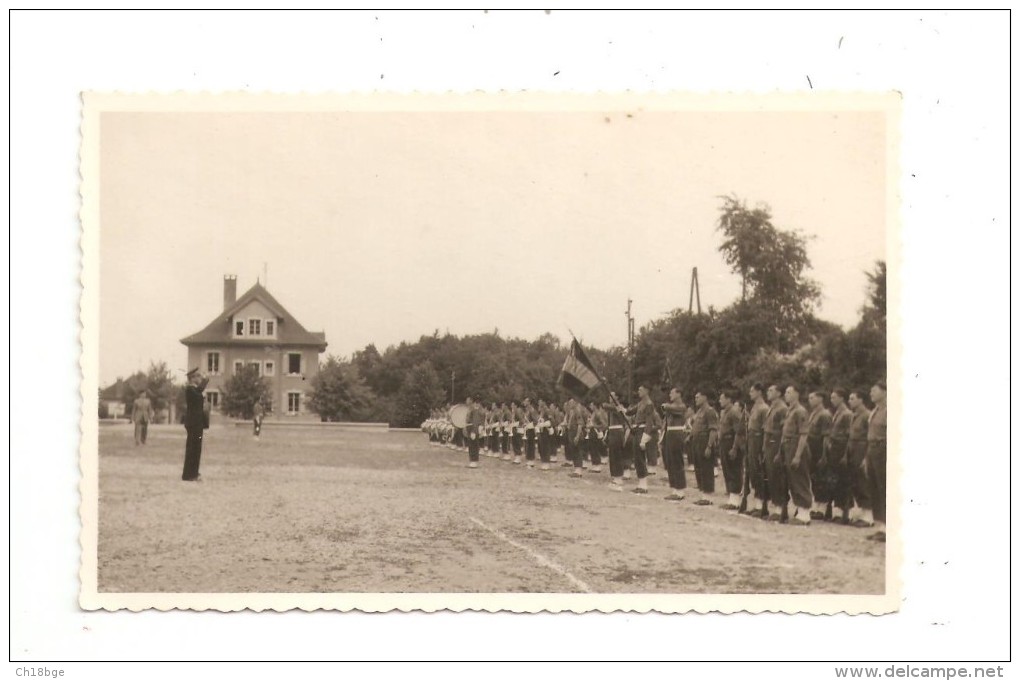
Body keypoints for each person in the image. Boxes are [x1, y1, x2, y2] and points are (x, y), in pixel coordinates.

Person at [783, 384, 812, 525]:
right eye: (785, 392)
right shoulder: (790, 411)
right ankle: (800, 511)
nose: (786, 395)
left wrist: (798, 455)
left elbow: (803, 434)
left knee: (800, 478)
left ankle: (805, 513)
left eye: (789, 392)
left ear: (796, 394)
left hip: (796, 446)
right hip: (788, 445)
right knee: (793, 479)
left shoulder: (800, 411)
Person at [804, 390, 834, 520]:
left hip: (819, 448)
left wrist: (824, 455)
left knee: (822, 479)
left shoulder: (824, 414)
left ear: (820, 399)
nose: (810, 400)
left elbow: (826, 437)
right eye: (809, 398)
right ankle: (816, 507)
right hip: (812, 448)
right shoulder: (813, 414)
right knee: (815, 479)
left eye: (812, 398)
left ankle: (822, 508)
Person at [741, 383, 770, 518]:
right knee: (752, 473)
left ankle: (761, 506)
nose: (750, 393)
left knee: (759, 473)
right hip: (752, 441)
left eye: (752, 391)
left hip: (758, 441)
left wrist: (763, 448)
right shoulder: (754, 407)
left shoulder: (764, 408)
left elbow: (765, 430)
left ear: (759, 392)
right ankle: (757, 504)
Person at [847, 389, 874, 527]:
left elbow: (870, 437)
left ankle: (869, 517)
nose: (849, 401)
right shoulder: (854, 415)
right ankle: (863, 513)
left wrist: (866, 457)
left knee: (864, 482)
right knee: (856, 482)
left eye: (852, 398)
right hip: (853, 450)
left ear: (861, 400)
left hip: (862, 450)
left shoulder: (867, 415)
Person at [827, 388, 854, 523]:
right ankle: (838, 511)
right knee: (835, 481)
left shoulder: (847, 414)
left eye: (834, 397)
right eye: (831, 398)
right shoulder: (837, 413)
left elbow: (849, 435)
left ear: (841, 398)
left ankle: (846, 513)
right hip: (835, 448)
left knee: (844, 481)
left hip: (842, 448)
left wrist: (845, 454)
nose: (832, 400)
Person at [623, 385, 656, 494]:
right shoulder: (640, 403)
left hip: (642, 431)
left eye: (640, 390)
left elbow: (649, 422)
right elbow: (629, 412)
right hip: (637, 430)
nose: (638, 391)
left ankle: (644, 485)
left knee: (640, 458)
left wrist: (644, 439)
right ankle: (641, 483)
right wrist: (621, 408)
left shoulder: (649, 404)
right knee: (637, 458)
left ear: (647, 390)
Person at [866, 382, 888, 543]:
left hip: (883, 450)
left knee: (883, 488)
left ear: (885, 392)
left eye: (874, 390)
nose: (871, 393)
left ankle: (888, 528)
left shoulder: (889, 410)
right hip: (872, 450)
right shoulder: (874, 411)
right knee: (874, 488)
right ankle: (880, 527)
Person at [763, 384, 788, 521]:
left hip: (776, 442)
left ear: (779, 393)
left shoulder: (782, 408)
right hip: (769, 443)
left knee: (777, 476)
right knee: (771, 475)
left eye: (771, 390)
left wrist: (780, 450)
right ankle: (776, 507)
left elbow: (784, 430)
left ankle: (780, 509)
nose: (768, 392)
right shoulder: (772, 407)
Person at [690, 389, 719, 505]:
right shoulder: (699, 412)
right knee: (698, 468)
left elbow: (713, 430)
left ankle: (708, 496)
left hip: (704, 441)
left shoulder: (710, 411)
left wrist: (709, 446)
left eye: (698, 397)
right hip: (696, 442)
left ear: (705, 397)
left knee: (706, 468)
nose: (696, 399)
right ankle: (703, 495)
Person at [660, 387, 689, 501]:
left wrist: (666, 405)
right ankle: (675, 489)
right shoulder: (672, 406)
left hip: (677, 434)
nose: (670, 395)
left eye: (672, 393)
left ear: (679, 394)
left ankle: (680, 490)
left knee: (677, 462)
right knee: (670, 462)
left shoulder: (681, 406)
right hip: (670, 433)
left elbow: (672, 408)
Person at [717, 389, 745, 510]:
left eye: (722, 398)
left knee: (734, 470)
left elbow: (739, 432)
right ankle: (731, 498)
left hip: (732, 442)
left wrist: (734, 448)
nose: (720, 401)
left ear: (729, 400)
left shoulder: (734, 412)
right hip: (725, 443)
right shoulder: (725, 412)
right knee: (727, 470)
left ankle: (735, 501)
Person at [182, 368, 209, 482]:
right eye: (197, 376)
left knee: (196, 449)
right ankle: (190, 474)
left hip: (197, 423)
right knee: (193, 448)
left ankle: (192, 473)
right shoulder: (190, 389)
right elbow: (199, 393)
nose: (199, 378)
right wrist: (206, 380)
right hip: (194, 423)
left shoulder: (194, 390)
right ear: (192, 378)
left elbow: (199, 392)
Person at [604, 392, 629, 491]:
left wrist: (619, 408)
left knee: (617, 455)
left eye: (612, 396)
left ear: (617, 397)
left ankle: (619, 479)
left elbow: (605, 405)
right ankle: (615, 478)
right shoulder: (613, 407)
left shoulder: (619, 407)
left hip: (617, 431)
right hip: (612, 431)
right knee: (612, 455)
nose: (609, 398)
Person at [586, 400, 607, 474]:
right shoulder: (593, 413)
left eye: (591, 405)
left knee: (595, 449)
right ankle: (595, 465)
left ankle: (597, 466)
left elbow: (604, 425)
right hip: (591, 433)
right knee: (592, 449)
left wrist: (593, 426)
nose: (590, 407)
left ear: (595, 405)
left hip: (595, 433)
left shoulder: (598, 413)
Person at [465, 397, 485, 468]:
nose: (466, 401)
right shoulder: (471, 409)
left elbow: (476, 421)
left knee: (473, 445)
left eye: (468, 400)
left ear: (472, 401)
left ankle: (474, 461)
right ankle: (472, 460)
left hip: (473, 429)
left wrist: (474, 431)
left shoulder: (475, 410)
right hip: (471, 428)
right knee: (471, 445)